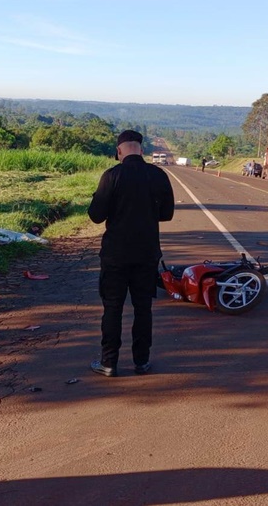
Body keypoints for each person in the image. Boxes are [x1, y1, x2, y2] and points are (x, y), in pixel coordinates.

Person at [87, 130, 175, 377]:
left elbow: (96, 216)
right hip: (146, 254)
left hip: (115, 254)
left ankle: (108, 362)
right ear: (141, 150)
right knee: (143, 308)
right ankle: (141, 361)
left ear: (119, 151)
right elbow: (167, 214)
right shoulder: (158, 175)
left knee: (112, 308)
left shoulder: (112, 175)